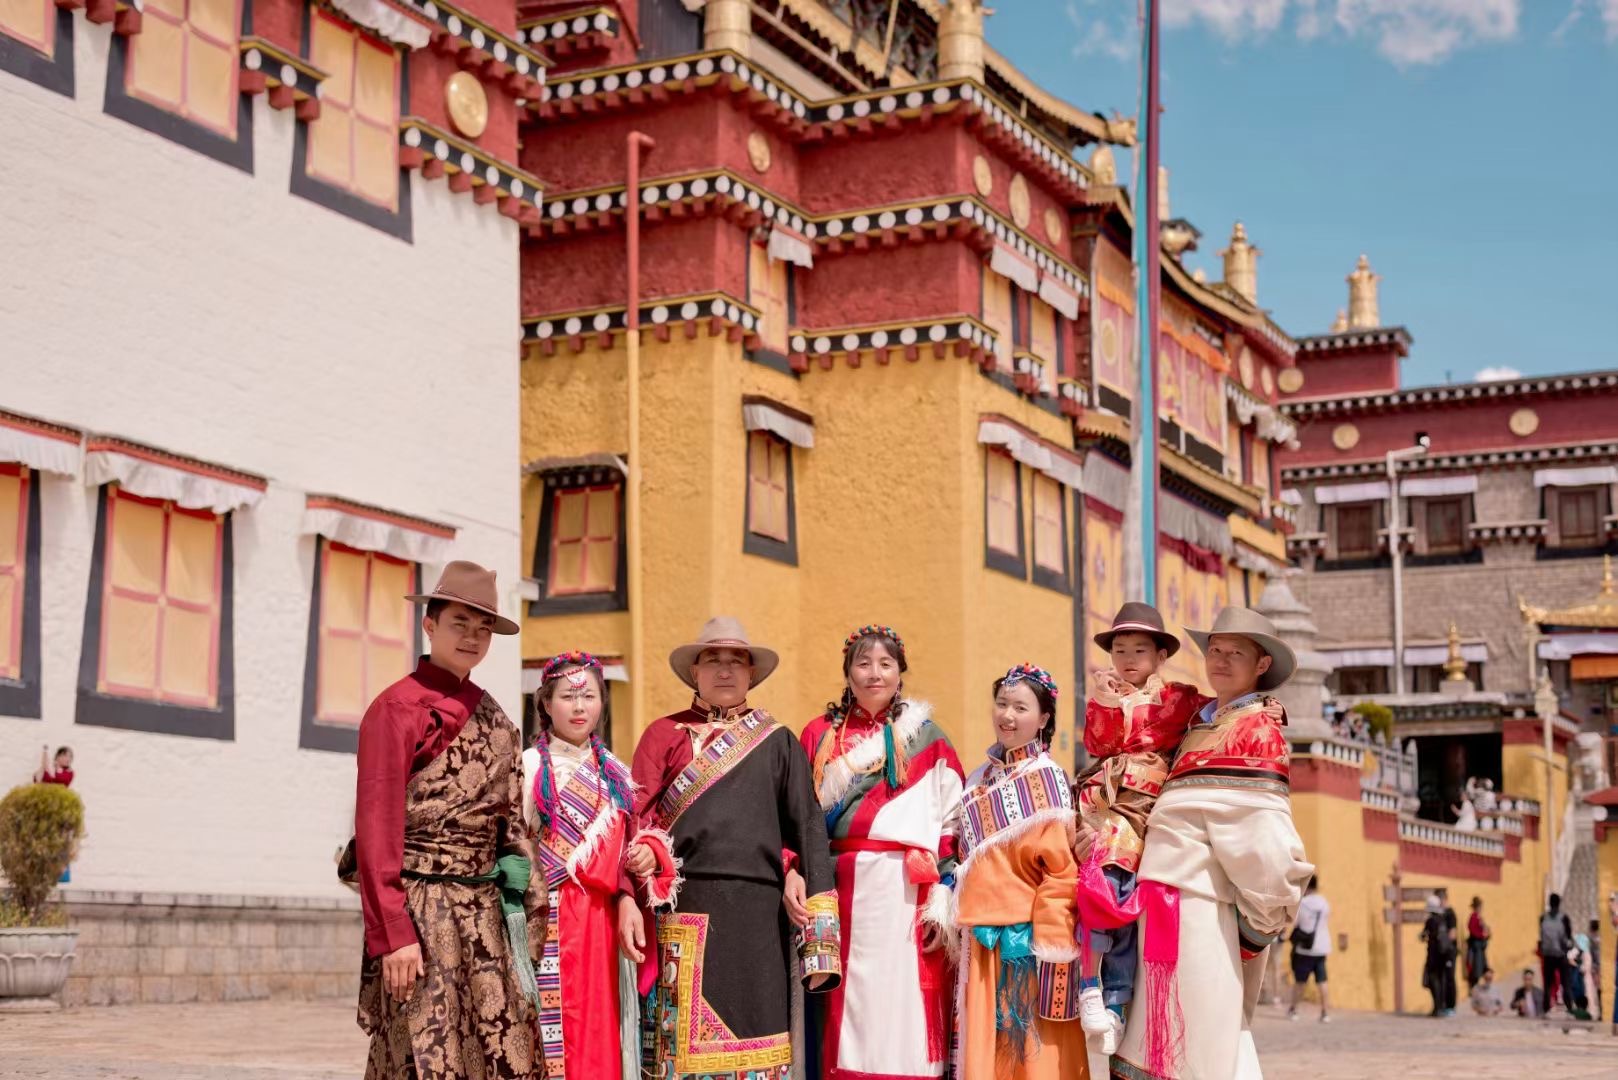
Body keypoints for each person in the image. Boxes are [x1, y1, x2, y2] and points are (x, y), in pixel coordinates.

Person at [346, 561, 546, 1080]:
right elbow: (376, 826)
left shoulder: (497, 719)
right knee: (419, 1055)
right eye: (461, 623)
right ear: (429, 625)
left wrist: (521, 909)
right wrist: (392, 933)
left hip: (483, 919)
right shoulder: (395, 709)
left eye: (484, 629)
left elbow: (513, 829)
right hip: (419, 912)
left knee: (499, 1054)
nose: (473, 638)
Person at [625, 616, 840, 1080]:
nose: (725, 670)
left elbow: (805, 827)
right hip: (685, 910)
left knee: (759, 1046)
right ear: (695, 672)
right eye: (713, 660)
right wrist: (642, 856)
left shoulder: (779, 742)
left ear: (750, 674)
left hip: (759, 918)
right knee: (677, 1054)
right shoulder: (663, 734)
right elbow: (633, 816)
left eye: (736, 661)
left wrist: (818, 945)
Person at [1108, 606, 1313, 1080]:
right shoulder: (1198, 723)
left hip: (1201, 906)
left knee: (1196, 1040)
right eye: (1215, 650)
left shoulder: (1258, 730)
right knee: (1161, 1038)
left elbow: (1264, 839)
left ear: (1262, 665)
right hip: (1160, 899)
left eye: (1235, 653)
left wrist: (1259, 921)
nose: (1219, 660)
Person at [795, 625, 964, 1080]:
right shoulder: (817, 736)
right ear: (847, 672)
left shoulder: (929, 738)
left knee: (905, 1005)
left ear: (900, 672)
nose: (874, 673)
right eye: (863, 663)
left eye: (885, 664)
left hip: (907, 891)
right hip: (838, 887)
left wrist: (941, 900)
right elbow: (796, 816)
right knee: (844, 1003)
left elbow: (952, 826)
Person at [521, 651, 670, 1080]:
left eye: (590, 696)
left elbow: (636, 844)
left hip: (603, 925)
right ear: (546, 704)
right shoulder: (529, 769)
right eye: (568, 696)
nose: (580, 706)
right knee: (552, 1035)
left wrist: (646, 858)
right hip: (548, 920)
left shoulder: (617, 777)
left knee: (602, 1032)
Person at [946, 663, 1086, 1080]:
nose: (1007, 715)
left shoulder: (1049, 780)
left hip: (1024, 944)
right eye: (1002, 704)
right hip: (979, 942)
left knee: (1031, 1057)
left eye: (1020, 707)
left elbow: (1061, 874)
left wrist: (1052, 951)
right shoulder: (977, 780)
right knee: (985, 1056)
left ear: (1043, 719)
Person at [1072, 603, 1201, 1055]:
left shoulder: (1179, 698)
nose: (1127, 659)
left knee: (1118, 884)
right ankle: (1090, 984)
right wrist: (1107, 702)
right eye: (1119, 650)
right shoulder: (1105, 697)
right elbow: (1099, 744)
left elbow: (1218, 715)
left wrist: (1259, 705)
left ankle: (1113, 996)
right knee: (1085, 879)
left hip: (1142, 807)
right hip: (1099, 801)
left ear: (1159, 656)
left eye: (1139, 650)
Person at [1287, 876, 1331, 1023]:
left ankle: (1294, 1010)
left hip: (1305, 949)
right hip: (1321, 947)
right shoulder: (1324, 903)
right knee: (1322, 981)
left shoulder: (1303, 904)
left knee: (1300, 981)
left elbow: (1297, 923)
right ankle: (1325, 1012)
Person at [1539, 892, 1576, 1012]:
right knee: (1565, 983)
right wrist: (1568, 948)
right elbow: (1569, 936)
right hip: (1561, 954)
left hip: (1548, 955)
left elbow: (1541, 936)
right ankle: (1569, 1008)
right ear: (1559, 903)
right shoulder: (1564, 918)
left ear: (1549, 903)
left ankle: (1545, 1009)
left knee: (1547, 984)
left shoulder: (1543, 918)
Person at [1420, 895, 1456, 1017]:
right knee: (1442, 980)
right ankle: (1440, 1007)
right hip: (1444, 955)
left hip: (1434, 956)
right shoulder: (1442, 919)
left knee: (1433, 981)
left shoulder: (1431, 921)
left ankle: (1437, 1007)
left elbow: (1423, 935)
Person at [1464, 896, 1490, 992]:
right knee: (1475, 967)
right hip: (1475, 946)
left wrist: (1486, 933)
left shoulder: (1479, 917)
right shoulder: (1473, 917)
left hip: (1480, 946)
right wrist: (1481, 935)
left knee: (1482, 966)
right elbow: (1472, 929)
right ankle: (1473, 987)